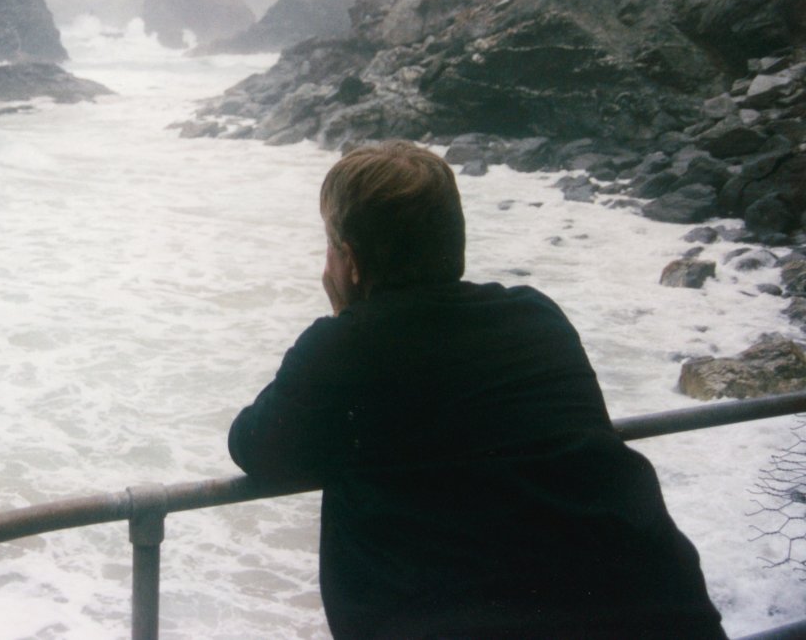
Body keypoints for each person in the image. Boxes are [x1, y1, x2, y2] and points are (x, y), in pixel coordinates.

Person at [228, 140, 725, 639]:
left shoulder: (342, 348)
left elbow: (254, 446)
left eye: (332, 246)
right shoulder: (537, 315)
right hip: (659, 609)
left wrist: (346, 319)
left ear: (351, 260)